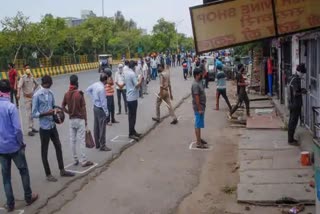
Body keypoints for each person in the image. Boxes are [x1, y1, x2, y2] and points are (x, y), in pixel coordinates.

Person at [0, 79, 38, 212]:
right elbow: (17, 129)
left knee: (6, 177)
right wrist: (21, 142)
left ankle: (10, 204)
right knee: (23, 171)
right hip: (14, 146)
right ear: (9, 91)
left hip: (2, 148)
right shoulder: (11, 107)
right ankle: (28, 197)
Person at [32, 75, 75, 182]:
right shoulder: (37, 95)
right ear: (45, 84)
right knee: (44, 151)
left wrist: (58, 110)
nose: (50, 87)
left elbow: (52, 106)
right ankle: (48, 174)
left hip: (52, 125)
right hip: (44, 128)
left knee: (58, 147)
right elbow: (34, 114)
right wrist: (47, 113)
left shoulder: (50, 93)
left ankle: (62, 170)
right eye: (49, 85)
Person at [62, 75, 94, 167]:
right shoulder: (79, 94)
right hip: (80, 120)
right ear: (76, 82)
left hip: (72, 119)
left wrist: (69, 112)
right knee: (82, 141)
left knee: (73, 140)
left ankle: (75, 159)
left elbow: (62, 106)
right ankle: (83, 160)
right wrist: (86, 122)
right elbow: (84, 110)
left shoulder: (66, 94)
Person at [86, 73, 111, 152]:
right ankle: (102, 145)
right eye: (107, 79)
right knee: (102, 128)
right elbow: (104, 103)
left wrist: (93, 98)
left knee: (96, 126)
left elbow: (88, 90)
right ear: (105, 80)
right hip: (100, 109)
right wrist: (107, 113)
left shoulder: (96, 84)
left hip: (95, 107)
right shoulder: (102, 89)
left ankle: (97, 143)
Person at [287, 64, 307, 146]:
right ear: (300, 72)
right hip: (295, 104)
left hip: (291, 103)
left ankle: (290, 138)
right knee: (293, 121)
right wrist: (303, 92)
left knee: (291, 120)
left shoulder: (292, 77)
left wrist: (301, 89)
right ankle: (290, 140)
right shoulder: (296, 80)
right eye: (303, 73)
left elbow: (294, 90)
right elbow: (295, 93)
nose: (303, 74)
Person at [124, 60, 143, 141]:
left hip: (129, 96)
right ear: (133, 67)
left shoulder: (127, 73)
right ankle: (131, 133)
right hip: (132, 97)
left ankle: (133, 131)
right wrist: (141, 79)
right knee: (132, 116)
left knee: (131, 116)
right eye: (135, 66)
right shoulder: (132, 74)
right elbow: (137, 85)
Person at [17, 68, 39, 136]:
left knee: (33, 113)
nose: (29, 75)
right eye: (28, 74)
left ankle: (32, 127)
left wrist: (33, 91)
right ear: (26, 73)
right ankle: (29, 129)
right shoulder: (22, 78)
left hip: (32, 97)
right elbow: (19, 87)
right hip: (27, 98)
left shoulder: (32, 77)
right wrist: (18, 94)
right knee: (29, 114)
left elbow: (37, 84)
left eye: (29, 74)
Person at [191, 68, 208, 149]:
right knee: (198, 124)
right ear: (197, 75)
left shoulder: (199, 82)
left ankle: (199, 138)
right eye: (200, 74)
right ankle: (198, 142)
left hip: (201, 105)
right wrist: (199, 108)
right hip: (199, 107)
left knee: (199, 124)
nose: (201, 75)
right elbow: (196, 97)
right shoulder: (195, 85)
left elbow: (205, 74)